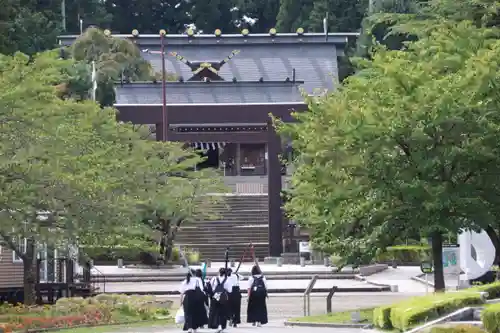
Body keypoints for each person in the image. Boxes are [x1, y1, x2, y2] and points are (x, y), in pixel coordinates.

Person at [208, 267, 233, 332]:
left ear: (219, 272)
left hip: (215, 296)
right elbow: (230, 290)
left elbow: (211, 287)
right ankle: (222, 326)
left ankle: (216, 325)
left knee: (215, 311)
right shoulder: (228, 280)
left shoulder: (214, 278)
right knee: (223, 312)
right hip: (223, 297)